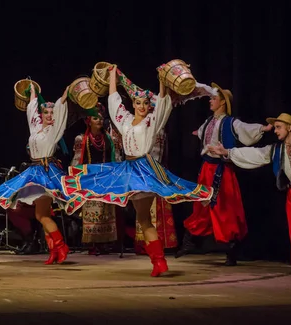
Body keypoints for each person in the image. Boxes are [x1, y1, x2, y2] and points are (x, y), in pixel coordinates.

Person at [61, 66, 213, 277]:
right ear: (133, 104)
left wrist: (161, 81)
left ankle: (159, 261)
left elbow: (162, 104)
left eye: (145, 104)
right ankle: (158, 262)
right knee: (142, 219)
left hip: (144, 171)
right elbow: (114, 102)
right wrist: (113, 77)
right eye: (138, 103)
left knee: (143, 217)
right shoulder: (125, 121)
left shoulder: (152, 122)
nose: (142, 106)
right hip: (129, 170)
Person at [209, 113, 291, 275]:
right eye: (275, 128)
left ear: (289, 128)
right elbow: (256, 154)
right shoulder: (277, 149)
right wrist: (228, 152)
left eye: (278, 127)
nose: (275, 131)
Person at [0, 84, 74, 265]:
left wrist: (66, 93)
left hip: (46, 173)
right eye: (45, 113)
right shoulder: (36, 127)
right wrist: (32, 93)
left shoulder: (54, 131)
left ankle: (61, 246)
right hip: (35, 171)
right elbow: (31, 111)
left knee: (41, 215)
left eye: (51, 114)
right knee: (43, 214)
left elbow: (62, 107)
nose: (48, 116)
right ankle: (54, 250)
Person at [177, 83, 271, 265]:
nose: (210, 101)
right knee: (201, 205)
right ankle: (192, 240)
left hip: (221, 170)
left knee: (224, 209)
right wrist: (199, 133)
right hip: (206, 169)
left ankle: (231, 250)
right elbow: (204, 133)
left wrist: (262, 129)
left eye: (213, 98)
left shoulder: (230, 122)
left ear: (222, 102)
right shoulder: (209, 121)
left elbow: (245, 128)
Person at [70, 103, 118, 255]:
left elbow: (114, 158)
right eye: (95, 118)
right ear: (88, 120)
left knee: (105, 211)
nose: (99, 120)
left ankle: (105, 242)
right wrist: (74, 178)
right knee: (92, 211)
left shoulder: (108, 138)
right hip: (90, 178)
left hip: (105, 178)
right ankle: (93, 243)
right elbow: (78, 159)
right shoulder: (81, 139)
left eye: (101, 118)